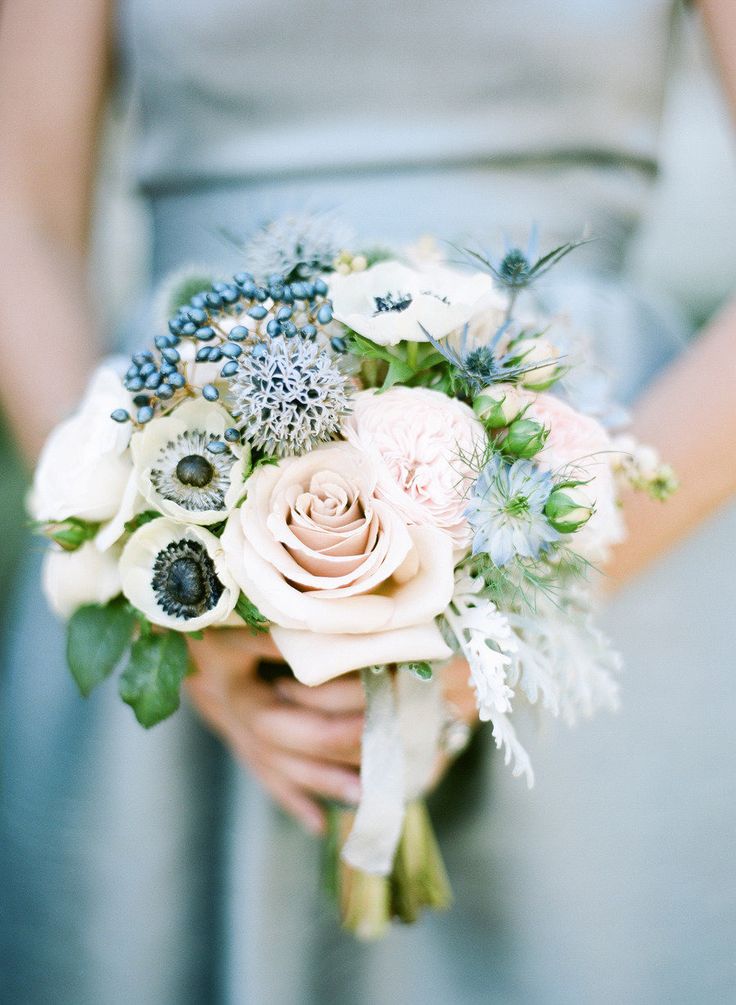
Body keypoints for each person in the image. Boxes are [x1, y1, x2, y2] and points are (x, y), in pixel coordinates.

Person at [1, 1, 734, 1002]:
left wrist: (529, 583)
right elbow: (20, 222)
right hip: (182, 473)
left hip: (601, 545)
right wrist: (158, 574)